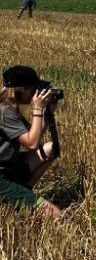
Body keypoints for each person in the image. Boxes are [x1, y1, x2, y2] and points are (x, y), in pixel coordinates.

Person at [0, 66, 61, 218]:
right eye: (34, 88)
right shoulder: (4, 112)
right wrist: (37, 108)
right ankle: (14, 198)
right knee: (54, 214)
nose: (36, 93)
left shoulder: (9, 108)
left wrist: (48, 114)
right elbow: (32, 144)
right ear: (24, 89)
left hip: (8, 168)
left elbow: (34, 136)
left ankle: (22, 194)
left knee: (49, 149)